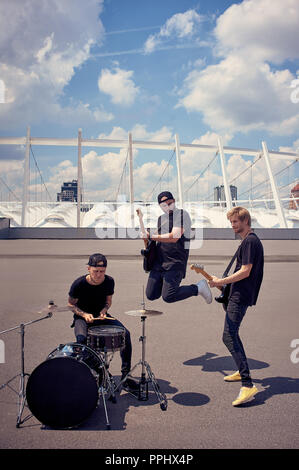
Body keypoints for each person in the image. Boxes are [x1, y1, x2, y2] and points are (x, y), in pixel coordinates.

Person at [208, 207, 264, 406]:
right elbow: (242, 271)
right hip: (238, 294)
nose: (232, 225)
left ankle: (248, 385)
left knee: (228, 335)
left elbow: (246, 271)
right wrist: (223, 284)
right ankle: (242, 372)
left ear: (245, 221)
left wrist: (222, 280)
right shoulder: (249, 241)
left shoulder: (250, 241)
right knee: (233, 334)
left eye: (235, 222)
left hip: (240, 296)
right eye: (231, 222)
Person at [68, 253, 138, 393]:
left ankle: (125, 376)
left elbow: (108, 301)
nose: (99, 275)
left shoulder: (109, 281)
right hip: (83, 318)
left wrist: (104, 310)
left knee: (126, 334)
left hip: (101, 316)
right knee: (81, 341)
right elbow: (70, 304)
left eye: (102, 271)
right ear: (88, 268)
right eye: (96, 271)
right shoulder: (79, 283)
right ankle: (97, 372)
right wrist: (83, 314)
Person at [141, 191, 212, 305]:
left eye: (170, 203)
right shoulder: (160, 219)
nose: (168, 206)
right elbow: (156, 239)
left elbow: (174, 236)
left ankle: (198, 288)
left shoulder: (182, 215)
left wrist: (152, 236)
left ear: (174, 201)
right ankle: (167, 286)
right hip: (159, 263)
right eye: (164, 205)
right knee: (151, 294)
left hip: (174, 262)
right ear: (160, 206)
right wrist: (146, 238)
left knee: (168, 296)